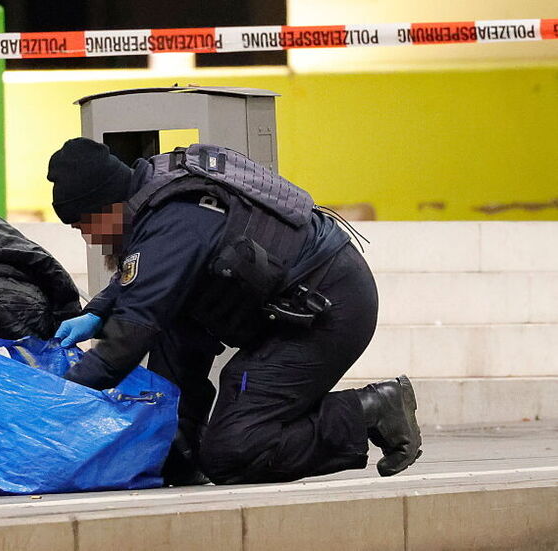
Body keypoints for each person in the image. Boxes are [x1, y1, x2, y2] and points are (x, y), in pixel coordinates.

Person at [46, 137, 422, 485]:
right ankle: (179, 452)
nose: (89, 238)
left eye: (85, 225)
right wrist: (97, 311)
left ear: (108, 204)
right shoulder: (157, 199)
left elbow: (125, 342)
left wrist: (50, 402)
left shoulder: (173, 219)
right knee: (175, 328)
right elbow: (151, 277)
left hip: (326, 310)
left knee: (233, 452)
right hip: (297, 306)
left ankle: (371, 409)